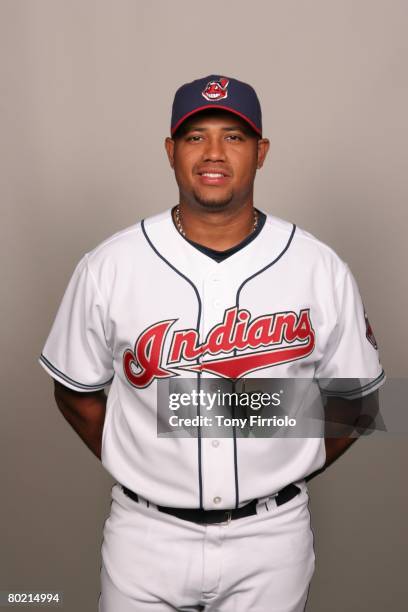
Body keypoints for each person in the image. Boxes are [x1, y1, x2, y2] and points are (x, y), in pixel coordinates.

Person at [39, 75, 385, 611]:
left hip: (272, 539)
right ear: (171, 151)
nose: (214, 153)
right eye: (196, 137)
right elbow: (74, 391)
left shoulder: (317, 267)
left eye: (234, 136)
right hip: (144, 535)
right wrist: (140, 457)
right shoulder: (110, 265)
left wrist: (283, 456)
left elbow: (357, 401)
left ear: (261, 152)